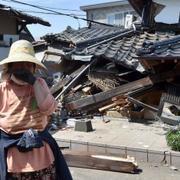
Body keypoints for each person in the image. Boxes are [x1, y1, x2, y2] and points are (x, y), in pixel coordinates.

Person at [0, 40, 73, 180]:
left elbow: (47, 109)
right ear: (10, 67)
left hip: (41, 152)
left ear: (34, 68)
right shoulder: (3, 89)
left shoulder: (39, 84)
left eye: (28, 64)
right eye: (19, 63)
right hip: (13, 153)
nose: (24, 68)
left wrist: (33, 82)